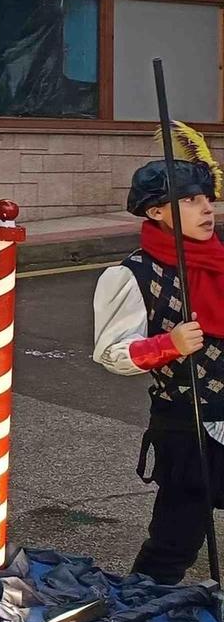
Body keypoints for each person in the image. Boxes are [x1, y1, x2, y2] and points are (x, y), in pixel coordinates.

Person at [92, 155, 224, 585]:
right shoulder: (132, 275)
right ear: (156, 211)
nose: (207, 209)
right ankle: (139, 617)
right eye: (189, 200)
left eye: (208, 198)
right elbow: (112, 352)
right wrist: (167, 345)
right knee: (175, 541)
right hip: (189, 426)